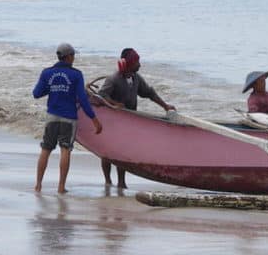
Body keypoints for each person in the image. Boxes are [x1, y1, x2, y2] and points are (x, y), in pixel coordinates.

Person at [98, 48, 176, 188]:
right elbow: (101, 96)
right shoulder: (113, 79)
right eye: (137, 62)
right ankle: (108, 181)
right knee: (107, 151)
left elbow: (149, 93)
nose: (139, 65)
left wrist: (165, 106)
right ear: (128, 64)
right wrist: (115, 104)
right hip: (113, 122)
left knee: (122, 152)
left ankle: (121, 182)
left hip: (128, 123)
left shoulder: (136, 78)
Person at [32, 42, 102, 193]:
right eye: (73, 55)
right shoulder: (76, 74)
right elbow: (83, 100)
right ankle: (61, 187)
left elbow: (36, 93)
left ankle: (38, 185)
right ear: (68, 56)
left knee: (46, 149)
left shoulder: (47, 73)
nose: (74, 58)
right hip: (69, 118)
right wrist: (94, 119)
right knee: (65, 150)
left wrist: (52, 88)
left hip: (52, 116)